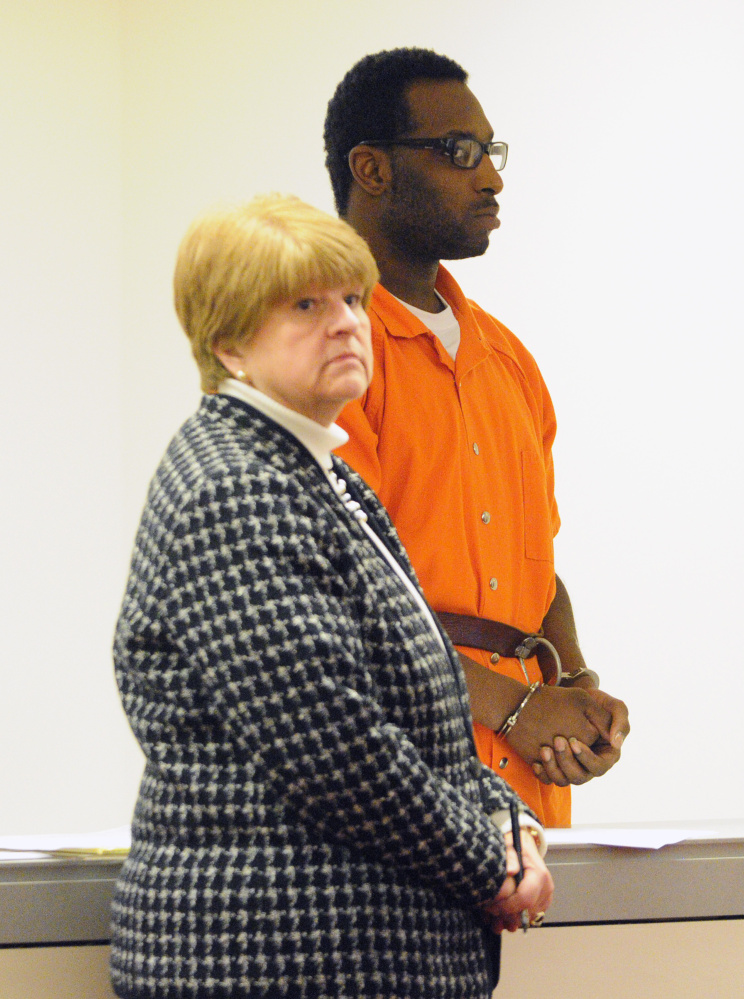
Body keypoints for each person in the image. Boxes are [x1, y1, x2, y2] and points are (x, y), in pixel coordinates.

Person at [110, 194, 553, 999]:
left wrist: (506, 815)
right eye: (305, 305)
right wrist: (490, 859)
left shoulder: (328, 476)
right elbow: (333, 742)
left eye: (352, 298)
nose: (348, 322)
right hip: (278, 960)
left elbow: (429, 711)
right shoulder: (235, 486)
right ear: (230, 343)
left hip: (357, 956)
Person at [324, 48, 630, 827]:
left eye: (491, 153)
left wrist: (576, 692)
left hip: (527, 803)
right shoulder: (326, 352)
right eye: (460, 152)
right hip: (400, 792)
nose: (491, 177)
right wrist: (520, 707)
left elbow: (540, 572)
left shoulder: (509, 359)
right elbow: (337, 603)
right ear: (372, 169)